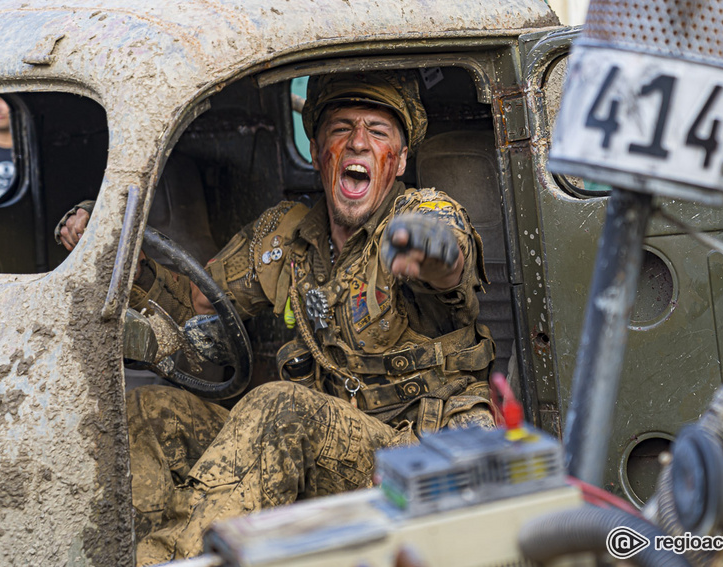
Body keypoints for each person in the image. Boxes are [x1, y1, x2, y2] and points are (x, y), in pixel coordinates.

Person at [57, 71, 496, 565]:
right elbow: (200, 304)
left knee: (279, 406)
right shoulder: (285, 236)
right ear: (316, 153)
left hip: (413, 450)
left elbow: (448, 252)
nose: (357, 142)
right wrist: (137, 270)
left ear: (399, 160)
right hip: (322, 442)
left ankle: (173, 560)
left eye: (378, 131)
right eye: (340, 129)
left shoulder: (417, 214)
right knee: (150, 413)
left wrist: (429, 246)